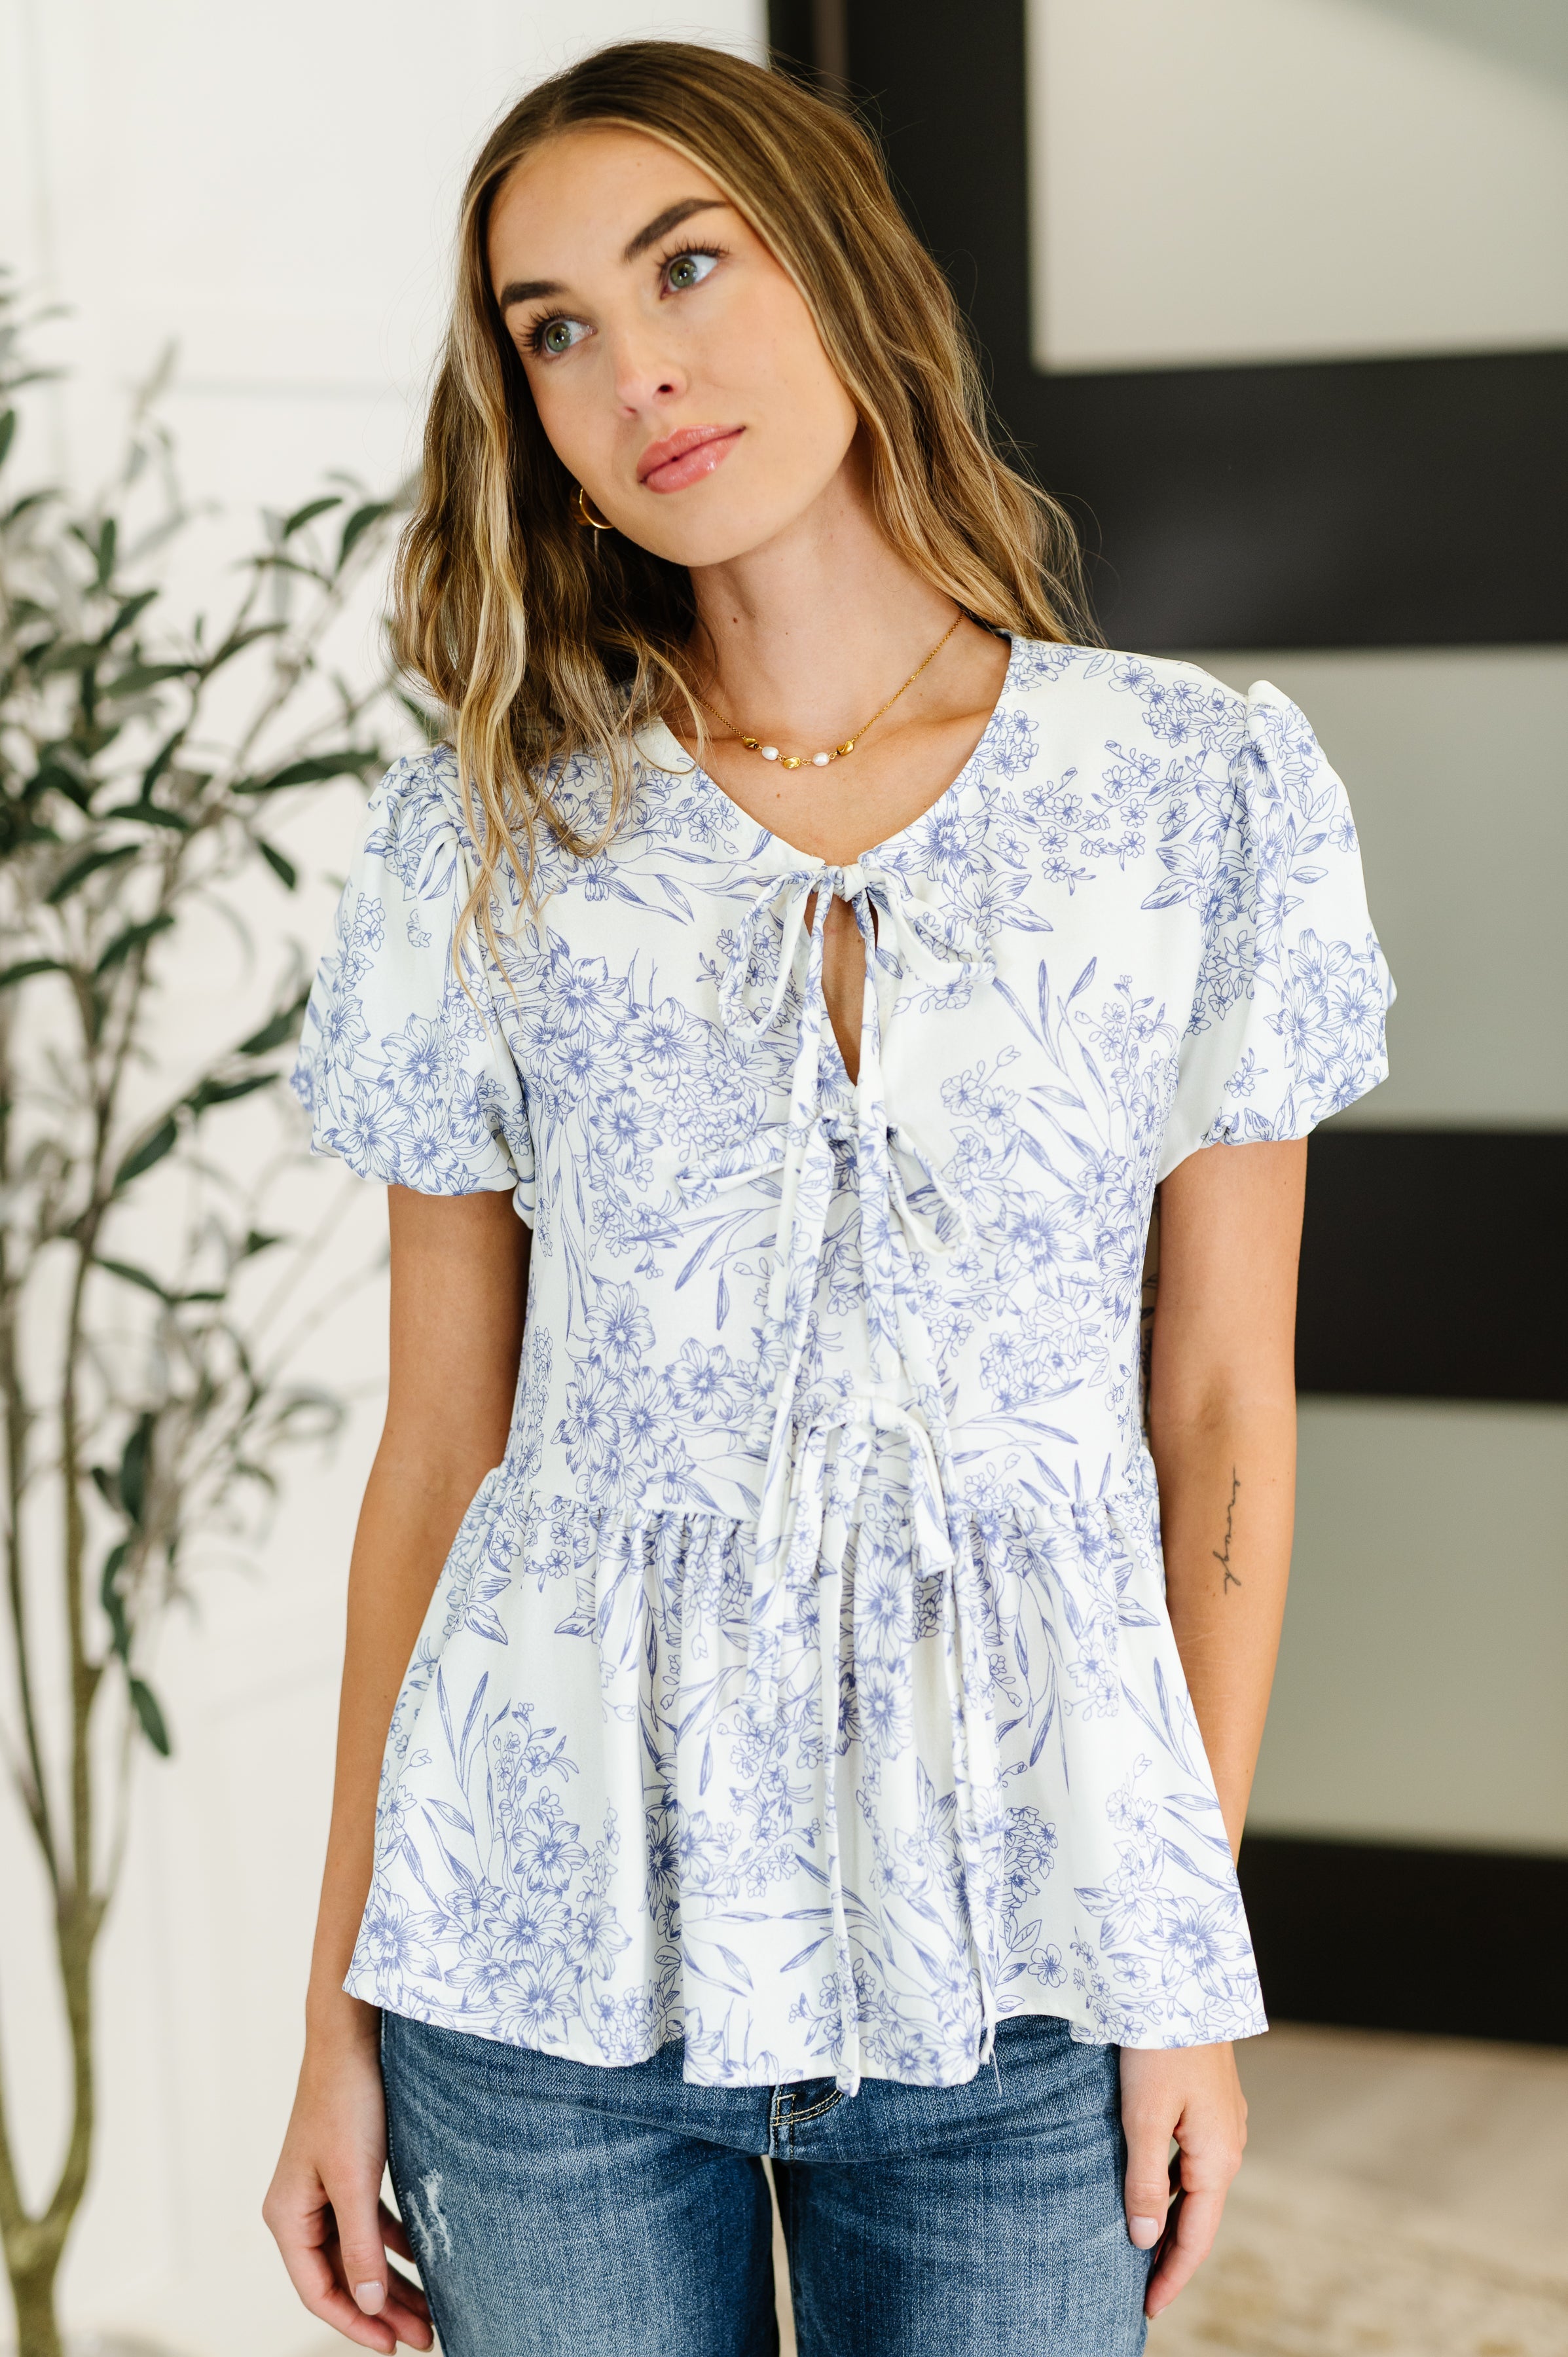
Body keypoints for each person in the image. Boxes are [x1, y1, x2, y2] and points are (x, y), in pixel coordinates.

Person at [263, 39, 1392, 2357]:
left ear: (851, 277)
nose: (634, 368)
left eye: (688, 265)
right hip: (537, 1972)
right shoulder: (483, 840)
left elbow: (1218, 1423)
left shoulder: (1193, 791)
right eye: (554, 327)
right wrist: (334, 2013)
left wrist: (1182, 1961)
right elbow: (437, 1457)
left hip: (1026, 1961)